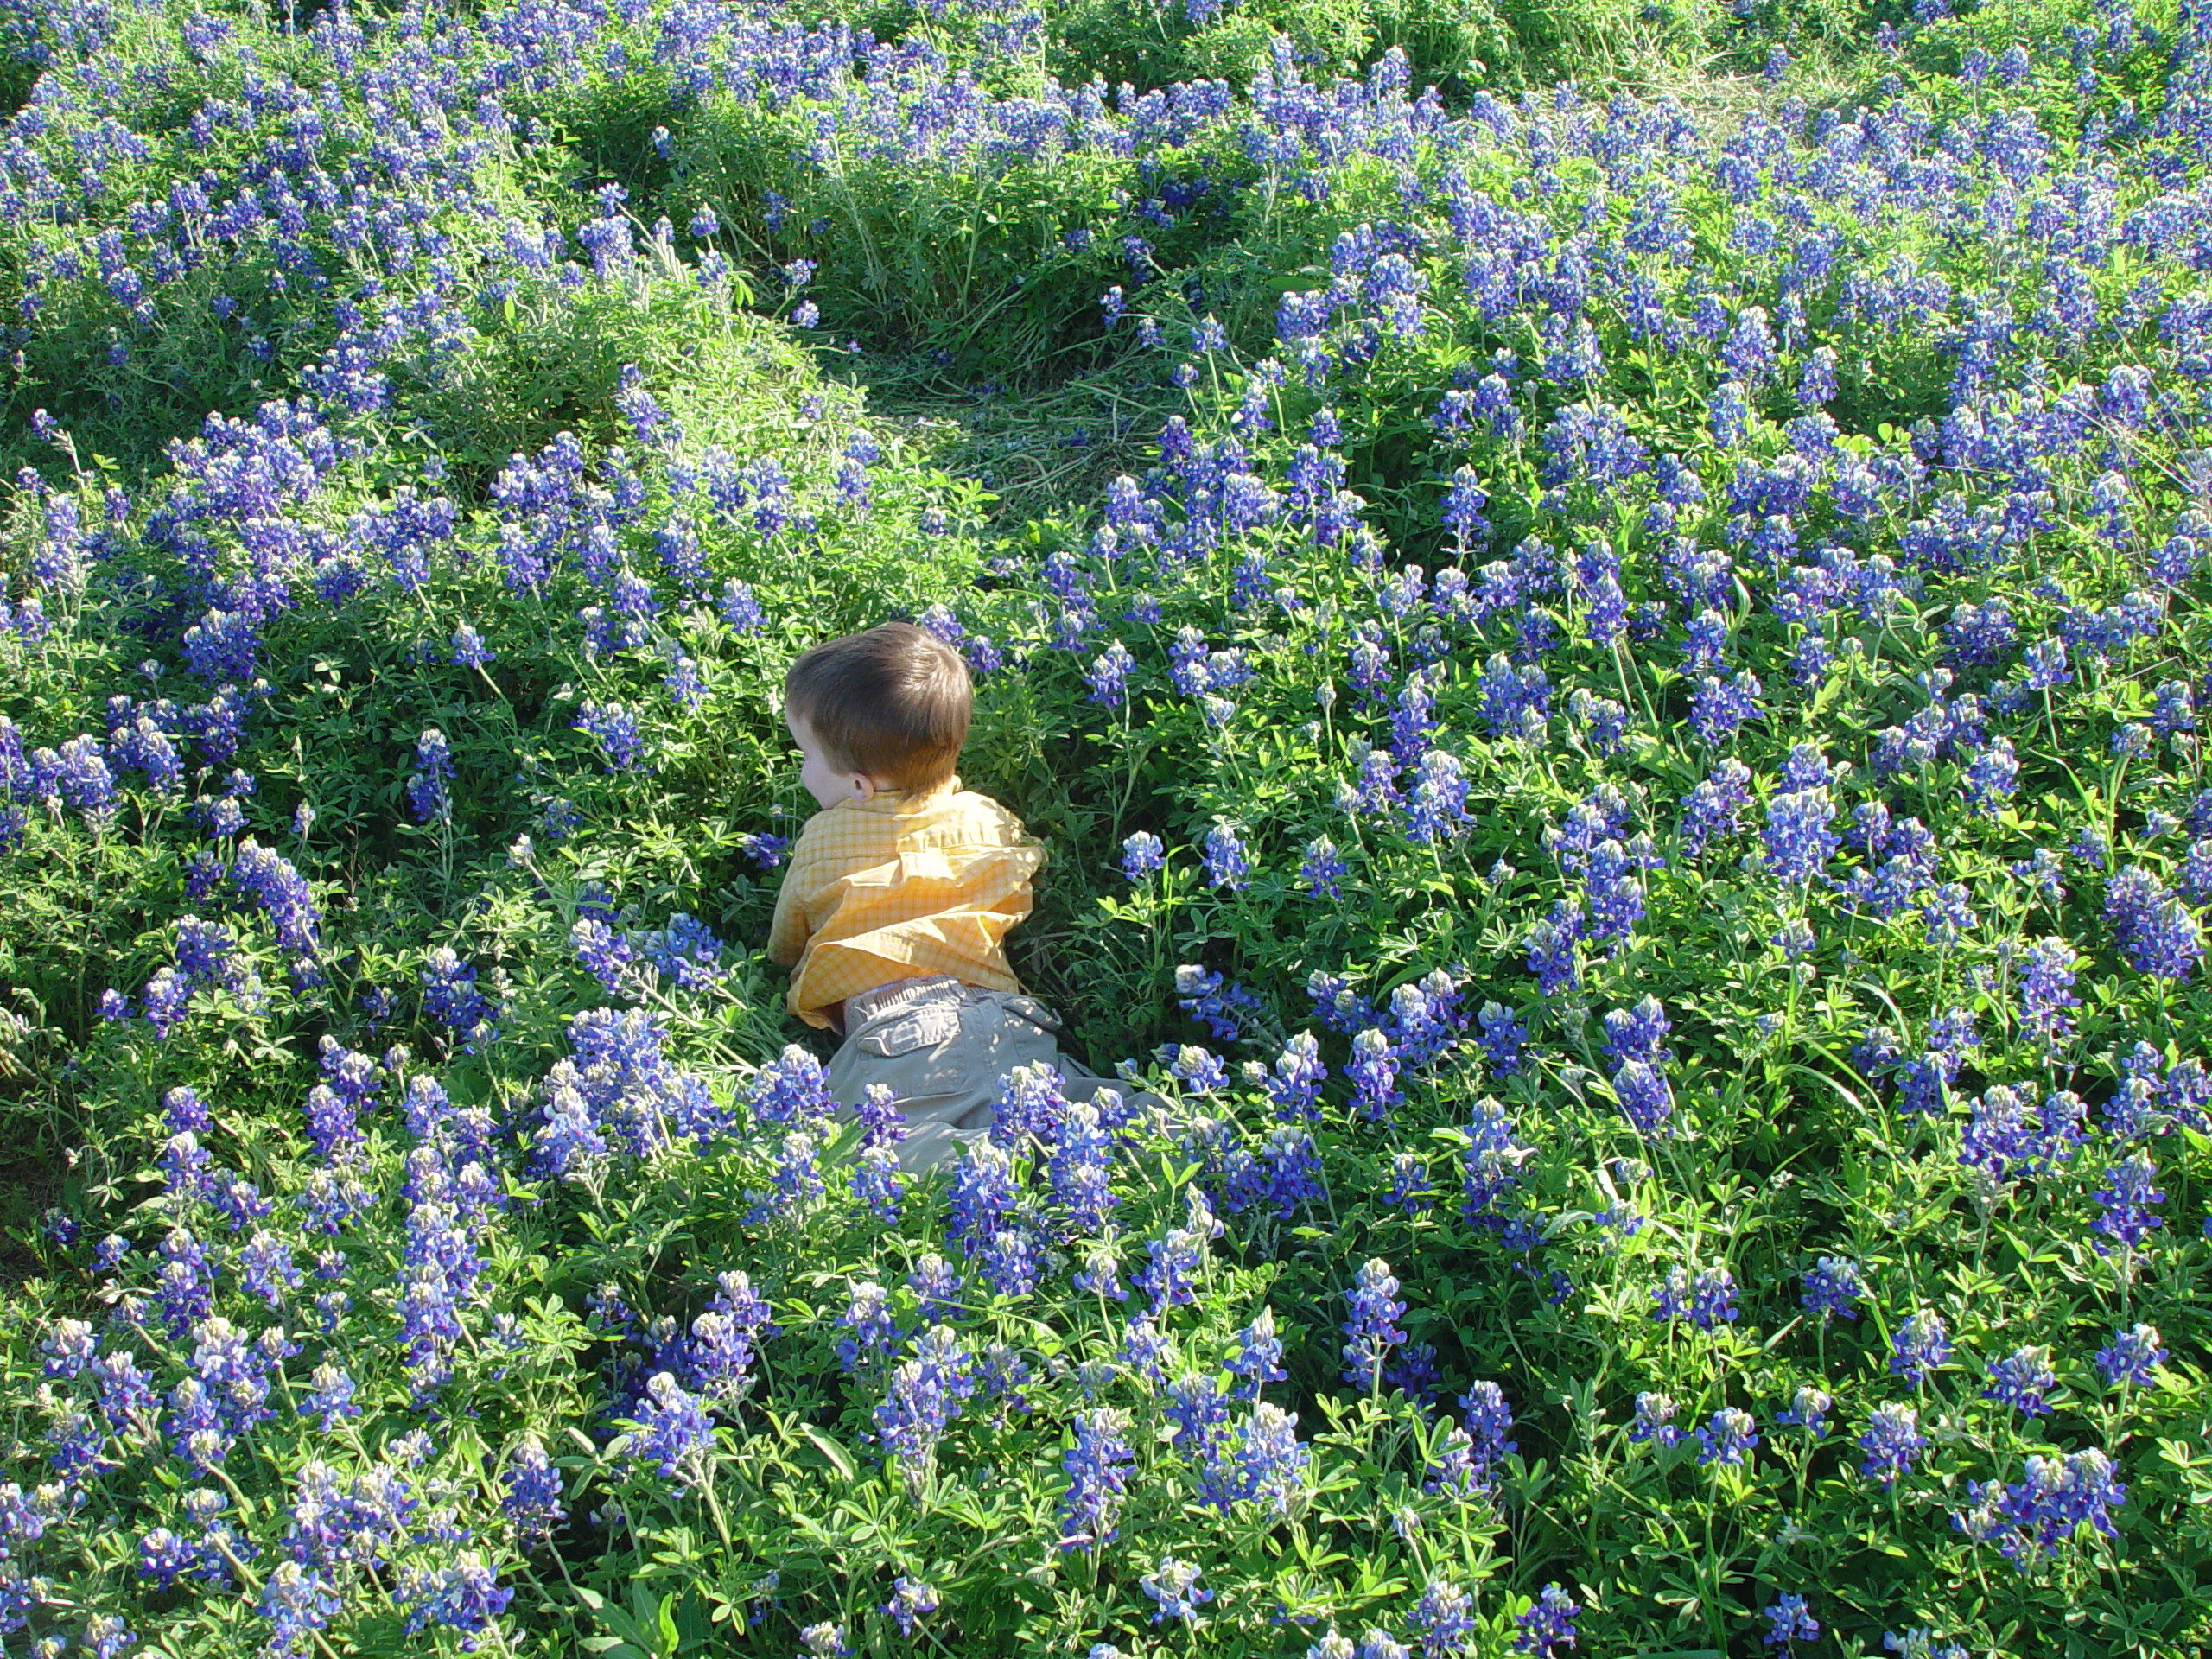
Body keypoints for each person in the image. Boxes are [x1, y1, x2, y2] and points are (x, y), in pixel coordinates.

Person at [766, 620, 1135, 1170]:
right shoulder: (989, 819)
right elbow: (1025, 864)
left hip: (891, 1036)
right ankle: (1163, 1126)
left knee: (862, 1158)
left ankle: (977, 1163)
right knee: (1081, 1111)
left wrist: (786, 967)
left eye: (806, 757)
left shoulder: (822, 839)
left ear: (858, 786)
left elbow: (790, 939)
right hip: (1004, 1018)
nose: (801, 771)